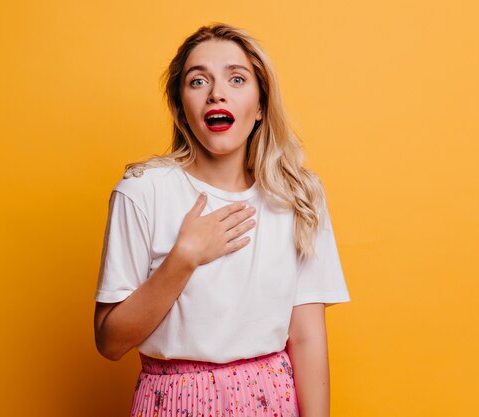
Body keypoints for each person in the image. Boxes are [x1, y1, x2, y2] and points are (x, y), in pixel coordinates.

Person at [93, 23, 350, 417]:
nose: (217, 92)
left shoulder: (298, 195)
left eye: (236, 78)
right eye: (198, 81)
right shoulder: (143, 192)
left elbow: (307, 336)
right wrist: (184, 258)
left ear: (261, 104)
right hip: (172, 401)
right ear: (181, 107)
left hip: (273, 400)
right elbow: (110, 342)